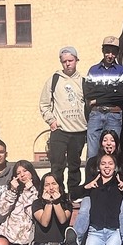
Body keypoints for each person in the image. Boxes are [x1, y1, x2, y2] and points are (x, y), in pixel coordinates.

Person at [39, 46, 86, 198]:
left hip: (78, 131)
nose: (67, 64)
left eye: (70, 60)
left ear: (76, 60)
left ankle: (73, 196)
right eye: (64, 61)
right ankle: (57, 196)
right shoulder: (54, 80)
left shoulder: (84, 81)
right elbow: (44, 104)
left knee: (74, 166)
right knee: (57, 166)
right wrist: (51, 121)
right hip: (59, 131)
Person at [79, 129, 123, 245]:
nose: (109, 143)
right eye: (105, 140)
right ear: (101, 143)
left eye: (112, 140)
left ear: (117, 143)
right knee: (85, 205)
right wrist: (89, 186)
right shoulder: (92, 162)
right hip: (96, 194)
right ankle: (76, 238)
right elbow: (87, 185)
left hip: (122, 194)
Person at [84, 36, 123, 159]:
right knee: (92, 152)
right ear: (102, 51)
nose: (110, 55)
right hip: (95, 114)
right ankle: (91, 178)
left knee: (112, 151)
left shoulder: (122, 71)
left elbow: (121, 96)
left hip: (114, 114)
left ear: (117, 53)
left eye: (113, 52)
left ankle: (113, 177)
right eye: (107, 51)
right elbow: (88, 93)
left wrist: (98, 99)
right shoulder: (93, 70)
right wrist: (111, 92)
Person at [0, 160, 40, 245]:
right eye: (18, 172)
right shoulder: (10, 191)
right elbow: (2, 210)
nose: (22, 175)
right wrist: (13, 191)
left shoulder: (37, 191)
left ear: (31, 172)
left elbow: (33, 213)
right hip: (10, 240)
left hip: (28, 243)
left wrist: (29, 190)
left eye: (25, 171)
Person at [29, 173, 72, 245]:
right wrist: (48, 203)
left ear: (59, 186)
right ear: (42, 188)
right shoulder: (37, 203)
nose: (51, 187)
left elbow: (62, 220)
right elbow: (44, 222)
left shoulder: (66, 203)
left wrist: (56, 202)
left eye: (54, 183)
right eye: (47, 185)